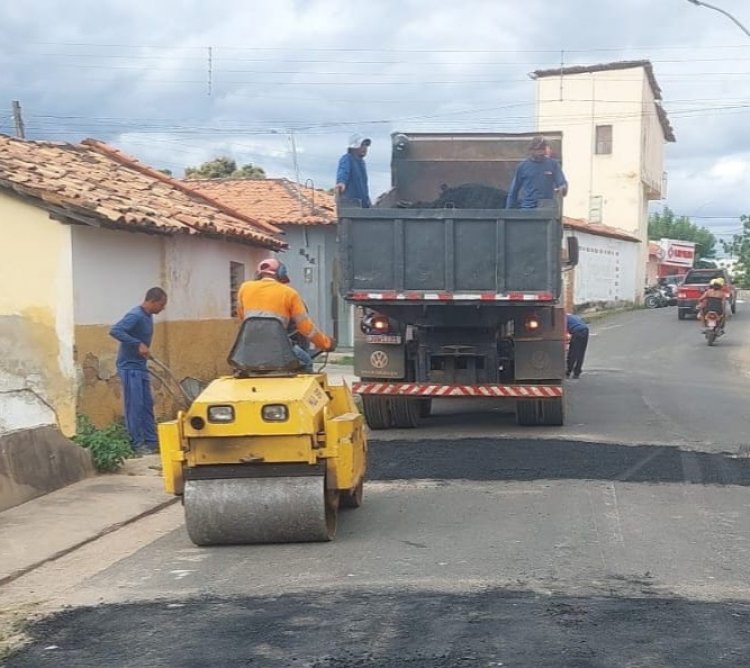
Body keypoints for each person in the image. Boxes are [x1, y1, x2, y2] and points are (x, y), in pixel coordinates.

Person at [236, 258, 335, 371]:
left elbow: (242, 318)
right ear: (281, 274)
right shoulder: (289, 293)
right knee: (306, 361)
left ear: (258, 273)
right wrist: (326, 344)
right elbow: (306, 328)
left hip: (249, 348)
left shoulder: (244, 288)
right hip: (278, 349)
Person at [109, 287, 168, 454]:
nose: (162, 308)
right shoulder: (135, 315)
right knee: (135, 405)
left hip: (140, 366)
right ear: (153, 301)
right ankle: (137, 444)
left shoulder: (148, 316)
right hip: (129, 367)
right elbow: (115, 330)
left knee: (147, 404)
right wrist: (138, 344)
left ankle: (151, 441)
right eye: (161, 304)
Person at [506, 136, 568, 209]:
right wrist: (508, 211)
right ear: (531, 150)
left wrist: (563, 188)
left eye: (542, 149)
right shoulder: (522, 167)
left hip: (546, 210)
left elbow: (562, 183)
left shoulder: (553, 165)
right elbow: (514, 191)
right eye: (537, 150)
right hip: (528, 210)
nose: (540, 152)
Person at [335, 133, 371, 208]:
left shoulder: (361, 163)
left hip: (362, 205)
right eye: (362, 145)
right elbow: (343, 171)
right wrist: (341, 182)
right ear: (354, 147)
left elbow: (364, 187)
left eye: (366, 145)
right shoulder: (347, 158)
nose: (365, 148)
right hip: (351, 205)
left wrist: (367, 201)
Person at [565, 313, 589, 379]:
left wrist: (566, 342)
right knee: (581, 352)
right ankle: (577, 372)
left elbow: (564, 331)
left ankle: (568, 371)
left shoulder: (564, 318)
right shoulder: (575, 316)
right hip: (585, 329)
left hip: (577, 331)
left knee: (573, 352)